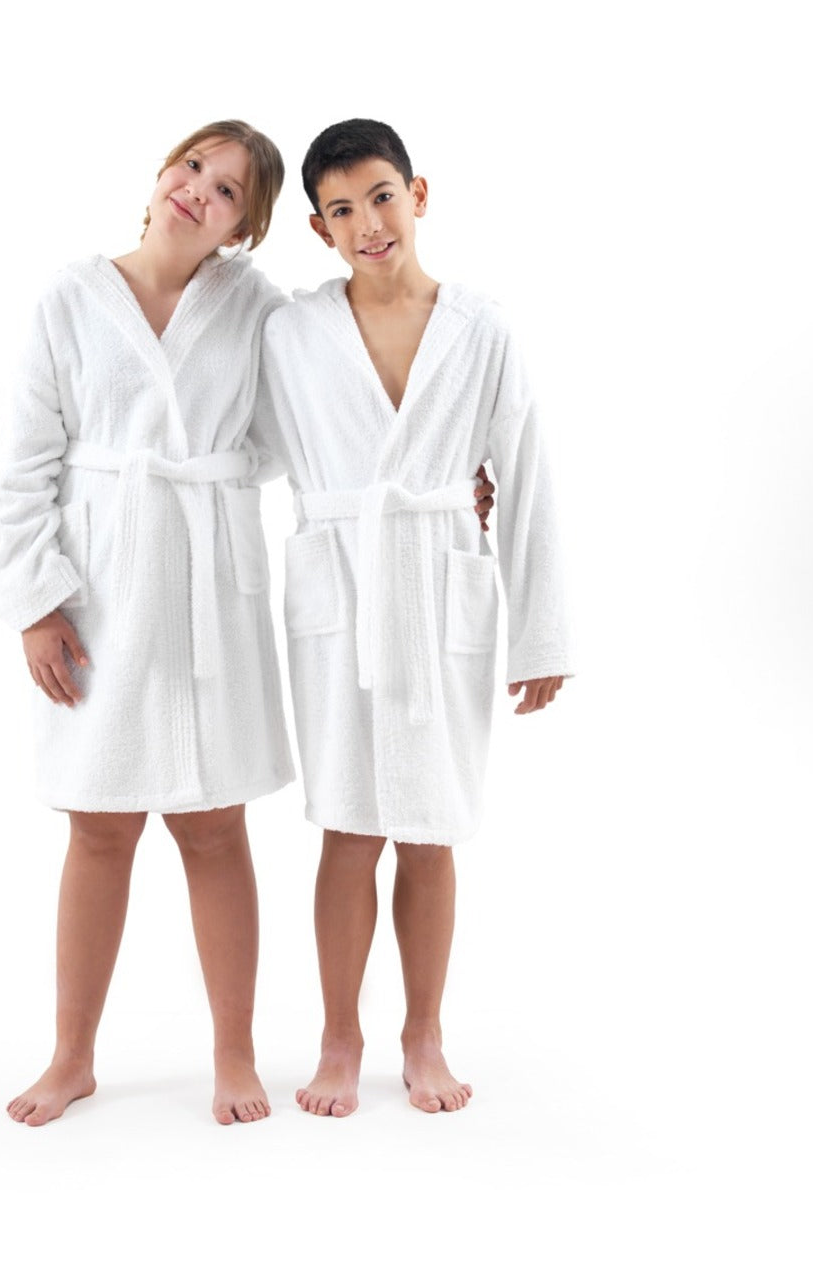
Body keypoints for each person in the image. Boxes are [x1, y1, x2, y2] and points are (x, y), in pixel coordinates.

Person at [0, 122, 303, 1128]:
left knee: (214, 825)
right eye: (192, 165)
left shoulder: (258, 311)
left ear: (244, 228)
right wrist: (35, 602)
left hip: (208, 591)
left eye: (227, 189)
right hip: (101, 594)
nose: (197, 189)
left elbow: (311, 424)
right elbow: (21, 463)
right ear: (164, 173)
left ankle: (234, 1053)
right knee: (99, 825)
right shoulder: (71, 299)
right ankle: (71, 1056)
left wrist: (450, 478)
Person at [253, 119, 573, 1117]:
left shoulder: (481, 329)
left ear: (418, 194)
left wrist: (541, 634)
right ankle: (338, 1038)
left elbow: (526, 478)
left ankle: (423, 1033)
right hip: (340, 591)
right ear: (318, 229)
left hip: (439, 586)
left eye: (382, 196)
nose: (368, 224)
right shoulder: (291, 332)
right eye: (342, 210)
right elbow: (248, 449)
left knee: (431, 830)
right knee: (348, 829)